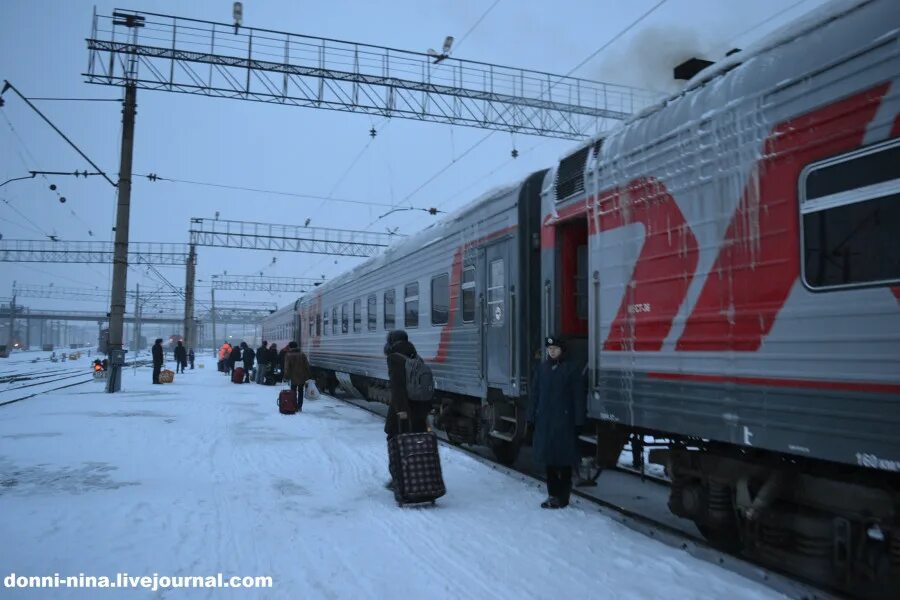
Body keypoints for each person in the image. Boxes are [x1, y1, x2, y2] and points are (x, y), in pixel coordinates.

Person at [526, 335, 585, 509]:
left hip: (564, 422)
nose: (552, 352)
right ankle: (553, 495)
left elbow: (578, 397)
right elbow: (535, 395)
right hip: (545, 421)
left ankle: (563, 496)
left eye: (555, 349)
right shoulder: (542, 369)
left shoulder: (571, 369)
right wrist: (531, 417)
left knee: (565, 461)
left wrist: (579, 421)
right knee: (549, 461)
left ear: (562, 350)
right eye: (549, 349)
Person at [383, 330, 430, 489]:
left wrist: (401, 410)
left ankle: (398, 479)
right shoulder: (415, 356)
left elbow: (397, 388)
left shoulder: (393, 358)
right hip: (419, 408)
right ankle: (419, 477)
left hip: (402, 410)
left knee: (394, 441)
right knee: (417, 443)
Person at [282, 341, 310, 411]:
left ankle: (293, 405)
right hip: (302, 376)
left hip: (293, 377)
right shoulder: (302, 354)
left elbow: (287, 368)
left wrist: (286, 376)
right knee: (301, 391)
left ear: (290, 347)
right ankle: (299, 406)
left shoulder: (288, 355)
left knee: (293, 392)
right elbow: (307, 366)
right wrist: (308, 375)